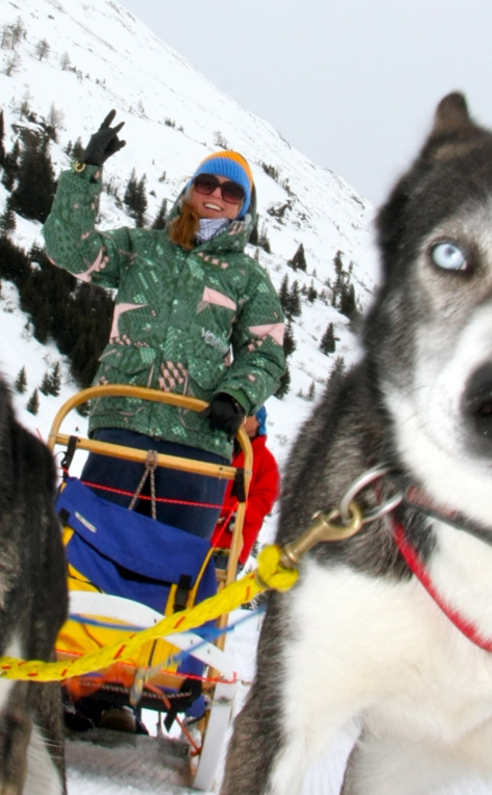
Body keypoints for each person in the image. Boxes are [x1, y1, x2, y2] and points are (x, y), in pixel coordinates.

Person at [42, 110, 286, 539]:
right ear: (190, 191)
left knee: (174, 568)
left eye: (231, 191)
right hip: (123, 419)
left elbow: (266, 349)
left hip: (199, 439)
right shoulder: (142, 248)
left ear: (242, 208)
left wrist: (238, 394)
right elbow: (70, 251)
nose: (216, 195)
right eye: (206, 183)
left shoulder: (247, 277)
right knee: (90, 550)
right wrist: (85, 172)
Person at [211, 405, 279, 570]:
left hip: (229, 545)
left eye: (249, 414)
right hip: (199, 536)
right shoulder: (217, 446)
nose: (241, 416)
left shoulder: (266, 462)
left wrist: (237, 514)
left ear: (258, 423)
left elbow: (263, 501)